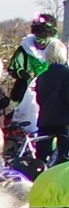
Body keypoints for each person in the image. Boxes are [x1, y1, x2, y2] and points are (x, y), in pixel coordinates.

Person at [35, 42, 69, 171]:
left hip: (46, 120)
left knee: (40, 159)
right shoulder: (67, 74)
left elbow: (39, 100)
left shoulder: (42, 77)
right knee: (64, 159)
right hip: (64, 122)